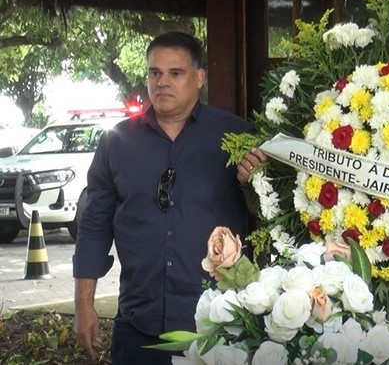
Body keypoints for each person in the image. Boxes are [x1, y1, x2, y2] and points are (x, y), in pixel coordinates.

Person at [72, 31, 267, 364]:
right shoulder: (116, 143)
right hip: (138, 324)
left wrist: (254, 184)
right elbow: (94, 226)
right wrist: (83, 304)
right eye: (155, 73)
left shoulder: (237, 137)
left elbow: (265, 217)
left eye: (175, 73)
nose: (162, 82)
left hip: (220, 324)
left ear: (199, 77)